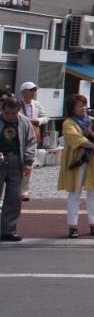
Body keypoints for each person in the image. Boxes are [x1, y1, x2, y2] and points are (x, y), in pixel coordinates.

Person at [58, 93, 94, 238]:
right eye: (80, 105)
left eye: (85, 105)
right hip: (76, 160)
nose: (84, 108)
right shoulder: (68, 123)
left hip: (93, 160)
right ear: (72, 108)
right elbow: (76, 139)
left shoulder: (92, 120)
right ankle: (72, 225)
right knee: (75, 192)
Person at [0, 95, 37, 241]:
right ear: (2, 108)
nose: (10, 116)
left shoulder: (24, 121)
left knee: (14, 198)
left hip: (16, 160)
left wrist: (28, 162)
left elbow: (31, 142)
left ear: (18, 111)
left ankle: (8, 230)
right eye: (7, 113)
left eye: (13, 113)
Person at [17, 81, 47, 202]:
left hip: (33, 136)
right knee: (17, 162)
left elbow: (46, 117)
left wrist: (38, 120)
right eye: (31, 90)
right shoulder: (17, 104)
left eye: (34, 90)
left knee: (29, 163)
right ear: (24, 92)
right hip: (19, 136)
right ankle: (15, 189)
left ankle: (24, 191)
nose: (33, 92)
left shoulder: (37, 104)